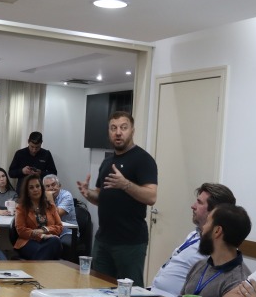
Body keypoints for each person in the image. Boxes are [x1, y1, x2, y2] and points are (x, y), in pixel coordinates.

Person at [77, 111, 157, 287]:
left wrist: (125, 184)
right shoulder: (107, 162)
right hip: (103, 240)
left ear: (132, 131)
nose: (118, 132)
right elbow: (101, 197)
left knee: (130, 293)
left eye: (123, 127)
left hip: (130, 242)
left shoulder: (143, 160)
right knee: (99, 289)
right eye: (113, 128)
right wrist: (88, 193)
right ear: (109, 132)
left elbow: (151, 197)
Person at [151, 183, 237, 297]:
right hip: (155, 293)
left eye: (200, 203)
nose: (193, 206)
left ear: (214, 211)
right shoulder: (194, 234)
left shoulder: (217, 246)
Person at [178, 204, 251, 297]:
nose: (203, 228)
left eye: (207, 222)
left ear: (217, 231)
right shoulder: (199, 265)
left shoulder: (239, 281)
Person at [13, 175, 63, 260]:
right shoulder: (21, 208)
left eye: (37, 186)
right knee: (48, 250)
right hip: (28, 241)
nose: (35, 189)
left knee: (55, 241)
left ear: (42, 188)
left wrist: (44, 230)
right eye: (31, 187)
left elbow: (59, 227)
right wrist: (42, 236)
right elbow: (21, 230)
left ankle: (38, 265)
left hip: (49, 240)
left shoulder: (51, 206)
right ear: (27, 191)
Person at [42, 174, 75, 249]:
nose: (51, 188)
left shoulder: (66, 196)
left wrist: (49, 197)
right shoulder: (41, 197)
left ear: (59, 185)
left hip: (66, 231)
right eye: (47, 186)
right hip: (49, 230)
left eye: (53, 185)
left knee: (57, 244)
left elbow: (56, 215)